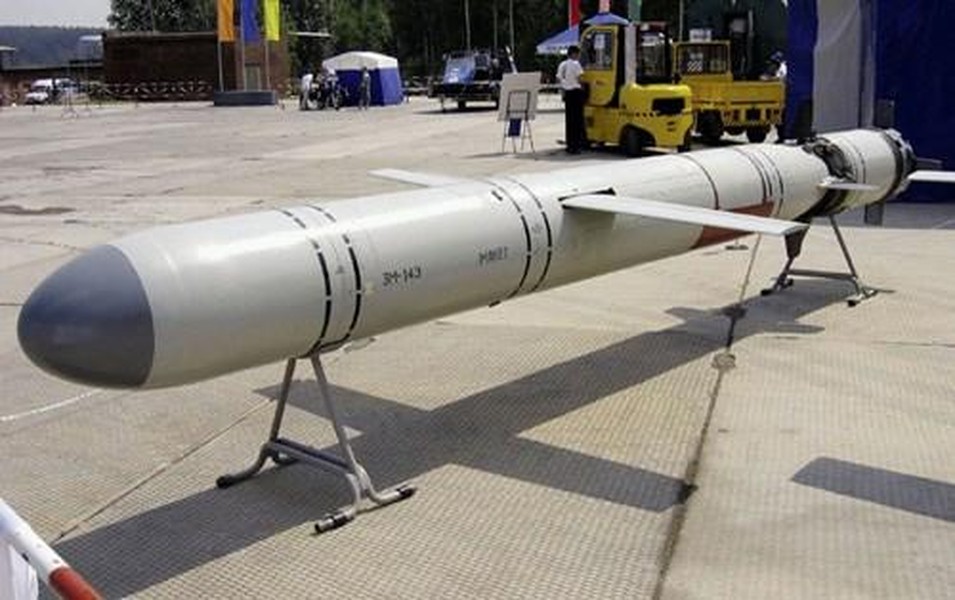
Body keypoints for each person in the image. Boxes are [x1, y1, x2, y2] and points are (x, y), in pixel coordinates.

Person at [556, 45, 586, 154]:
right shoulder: (575, 64)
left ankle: (570, 146)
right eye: (577, 54)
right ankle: (576, 146)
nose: (578, 56)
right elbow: (580, 78)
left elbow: (558, 78)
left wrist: (564, 86)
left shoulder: (562, 64)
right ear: (573, 54)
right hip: (576, 93)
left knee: (569, 121)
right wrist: (583, 87)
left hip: (567, 93)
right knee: (577, 121)